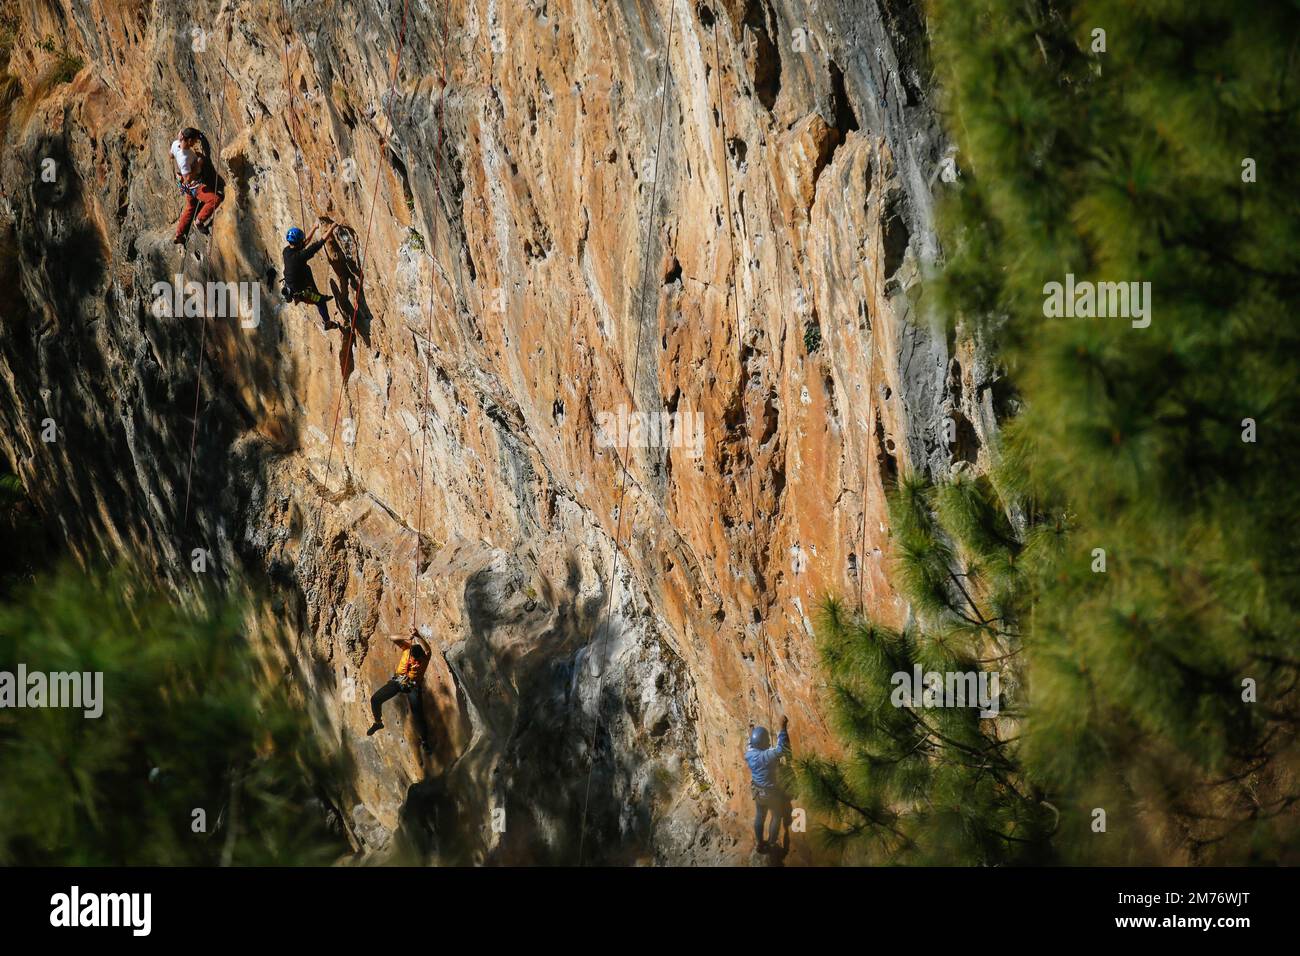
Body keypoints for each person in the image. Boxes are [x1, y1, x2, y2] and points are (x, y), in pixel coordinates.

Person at [366, 629, 432, 753]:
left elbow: (427, 649)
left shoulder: (425, 657)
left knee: (418, 714)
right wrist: (407, 636)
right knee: (375, 699)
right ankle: (378, 722)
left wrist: (418, 636)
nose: (415, 663)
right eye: (414, 659)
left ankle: (425, 741)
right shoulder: (407, 649)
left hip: (413, 686)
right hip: (398, 682)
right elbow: (392, 637)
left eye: (417, 661)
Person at [745, 715, 792, 853]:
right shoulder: (765, 756)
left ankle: (760, 843)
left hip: (757, 791)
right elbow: (780, 750)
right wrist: (783, 727)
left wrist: (751, 732)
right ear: (764, 743)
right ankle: (771, 843)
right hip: (770, 792)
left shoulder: (749, 754)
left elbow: (751, 744)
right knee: (776, 815)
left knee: (760, 815)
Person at [282, 222, 339, 330]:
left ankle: (317, 294)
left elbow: (304, 243)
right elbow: (318, 244)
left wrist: (314, 227)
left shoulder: (287, 251)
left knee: (307, 269)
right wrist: (331, 228)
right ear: (298, 242)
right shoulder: (300, 256)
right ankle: (327, 323)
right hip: (301, 293)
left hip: (293, 285)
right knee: (320, 301)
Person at [171, 127, 222, 244]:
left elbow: (171, 155)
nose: (195, 143)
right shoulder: (184, 159)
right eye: (194, 141)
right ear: (188, 140)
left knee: (190, 208)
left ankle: (178, 235)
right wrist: (197, 165)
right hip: (195, 186)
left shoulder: (175, 144)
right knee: (215, 199)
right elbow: (188, 179)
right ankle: (199, 221)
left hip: (187, 187)